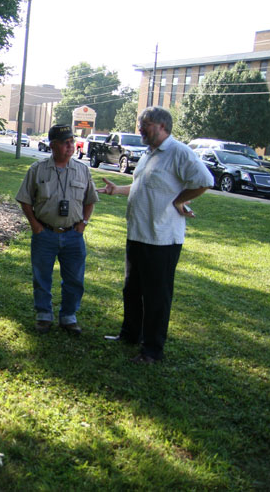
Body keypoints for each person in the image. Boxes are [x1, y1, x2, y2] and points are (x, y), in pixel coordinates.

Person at [97, 106, 213, 363]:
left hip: (161, 239)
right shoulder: (151, 154)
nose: (140, 128)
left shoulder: (178, 152)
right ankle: (130, 334)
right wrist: (118, 190)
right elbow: (143, 186)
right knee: (132, 289)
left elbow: (205, 180)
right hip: (137, 233)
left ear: (162, 126)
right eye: (140, 124)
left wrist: (179, 201)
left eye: (145, 124)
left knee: (156, 297)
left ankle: (152, 350)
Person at [15, 124, 99, 335]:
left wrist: (83, 224)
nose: (71, 146)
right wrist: (35, 226)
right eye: (65, 142)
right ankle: (44, 315)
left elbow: (90, 200)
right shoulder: (37, 170)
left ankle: (69, 317)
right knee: (41, 277)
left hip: (73, 235)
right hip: (45, 234)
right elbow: (25, 199)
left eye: (72, 141)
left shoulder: (82, 170)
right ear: (53, 145)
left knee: (74, 279)